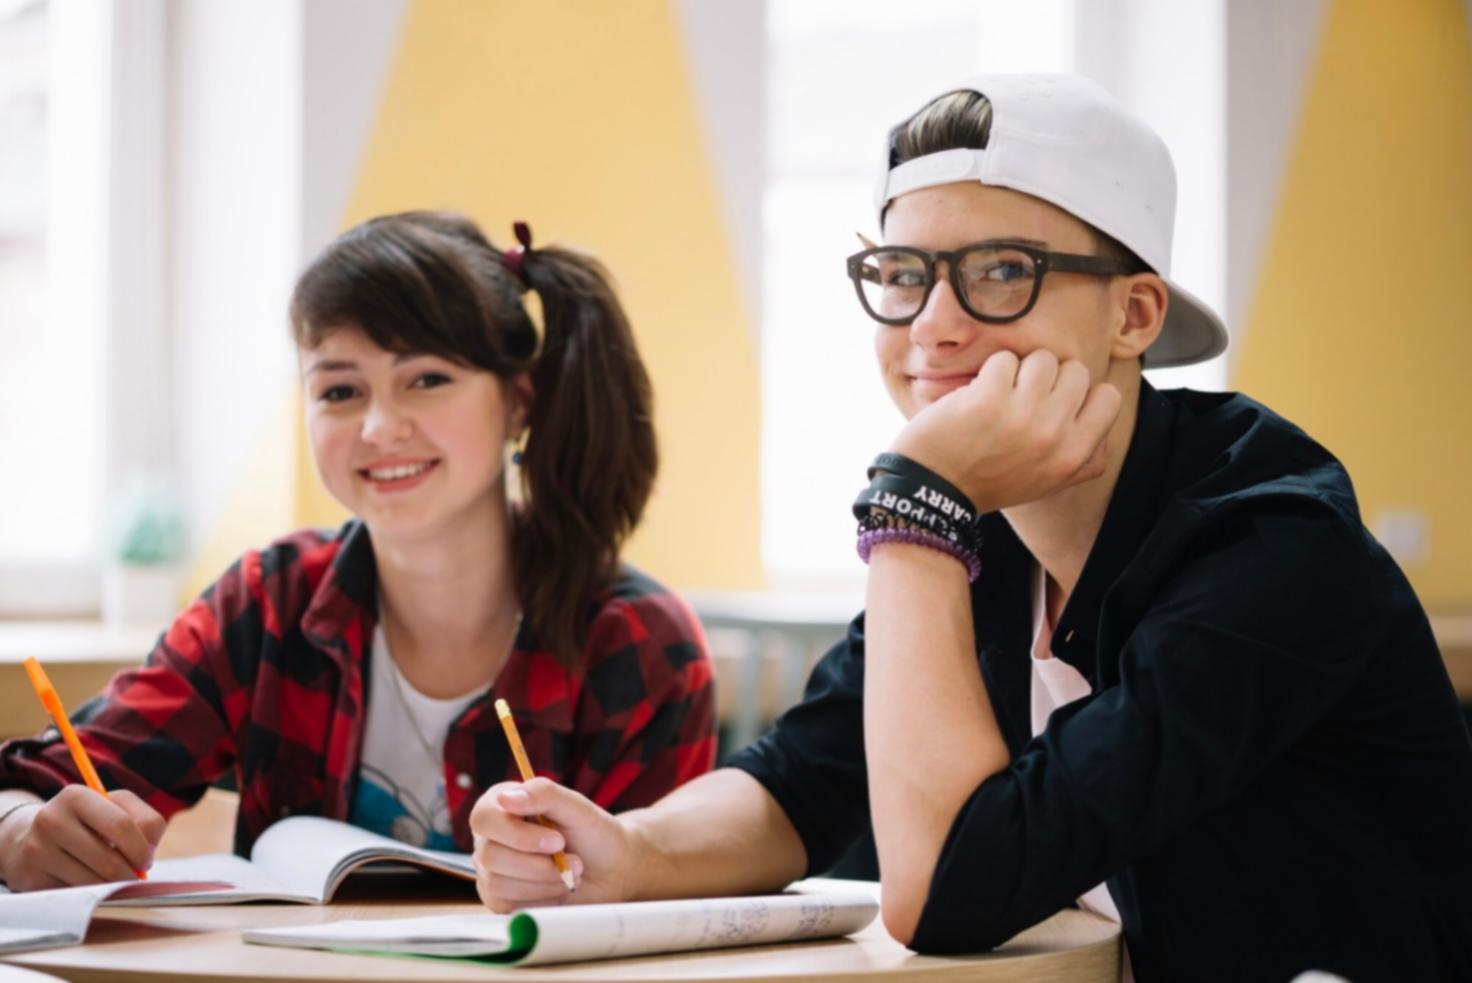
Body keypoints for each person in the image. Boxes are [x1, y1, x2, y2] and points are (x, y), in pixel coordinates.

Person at [466, 76, 1472, 981]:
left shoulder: (1269, 543)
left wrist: (914, 502)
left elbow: (943, 889)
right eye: (902, 273)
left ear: (1132, 316)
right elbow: (798, 779)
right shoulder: (980, 530)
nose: (931, 325)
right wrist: (630, 848)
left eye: (1000, 270)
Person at [0, 211, 716, 891]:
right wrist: (20, 828)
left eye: (427, 379)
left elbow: (655, 917)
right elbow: (31, 787)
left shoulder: (642, 645)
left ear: (519, 400)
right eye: (340, 389)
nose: (378, 426)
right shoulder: (265, 603)